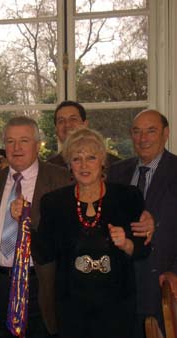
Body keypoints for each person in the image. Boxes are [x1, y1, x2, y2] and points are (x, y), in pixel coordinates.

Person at [33, 128, 150, 338]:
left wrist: (126, 244)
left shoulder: (128, 197)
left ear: (102, 161)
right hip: (71, 309)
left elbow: (144, 249)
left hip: (117, 308)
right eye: (76, 159)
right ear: (69, 164)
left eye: (91, 157)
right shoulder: (54, 202)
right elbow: (44, 253)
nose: (84, 165)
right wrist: (22, 221)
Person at [0, 116, 70, 338]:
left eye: (24, 141)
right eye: (10, 141)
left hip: (40, 284)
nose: (16, 148)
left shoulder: (60, 179)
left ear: (38, 145)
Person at [108, 109, 177, 338]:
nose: (142, 138)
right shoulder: (117, 172)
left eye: (151, 131)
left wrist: (175, 272)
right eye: (137, 132)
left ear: (165, 133)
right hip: (121, 289)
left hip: (162, 286)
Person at [48, 100, 120, 168]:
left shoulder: (115, 165)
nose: (67, 125)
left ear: (85, 124)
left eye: (73, 119)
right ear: (56, 129)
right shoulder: (49, 167)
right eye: (61, 121)